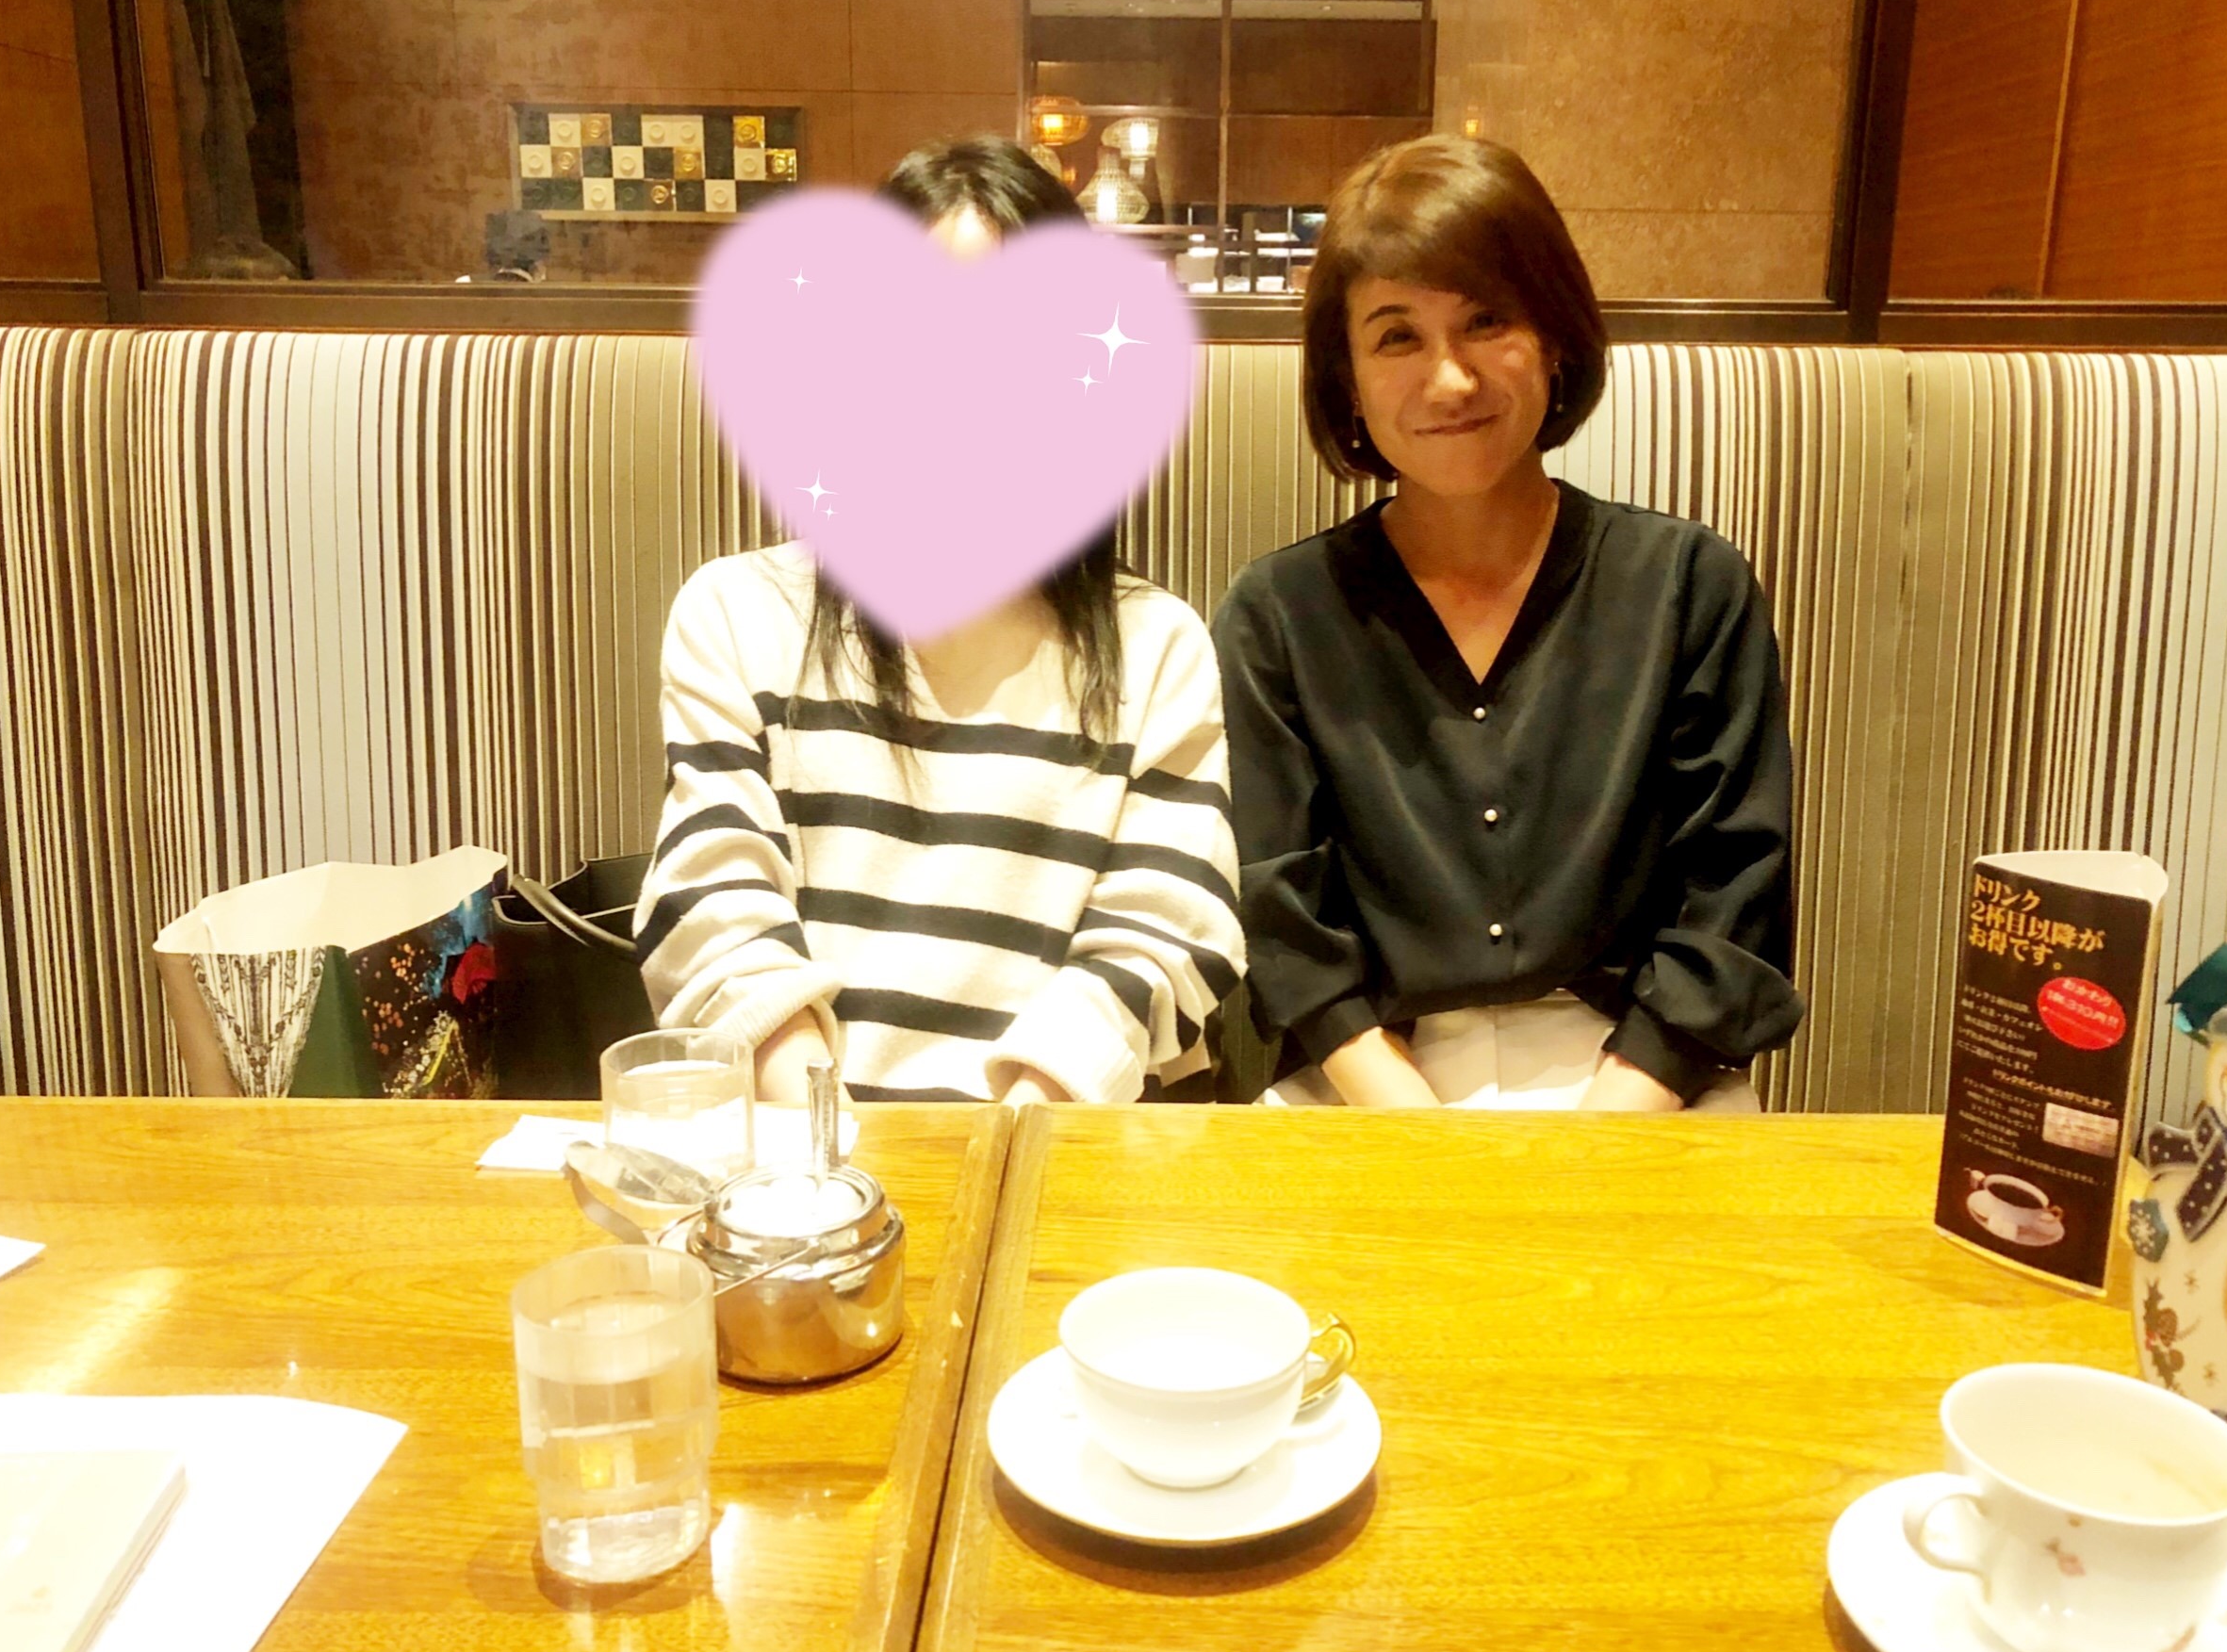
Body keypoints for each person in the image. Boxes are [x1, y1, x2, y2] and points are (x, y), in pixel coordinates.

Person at [636, 137, 1244, 1105]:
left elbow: (1164, 928)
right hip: (809, 1138)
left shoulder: (1154, 645)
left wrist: (1010, 1138)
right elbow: (716, 899)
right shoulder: (742, 613)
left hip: (1061, 1138)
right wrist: (830, 1143)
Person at [1212, 136, 1803, 1111]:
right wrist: (1429, 1143)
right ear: (1347, 378)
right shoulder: (1278, 614)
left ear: (1555, 333)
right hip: (1370, 1087)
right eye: (1396, 337)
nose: (1449, 380)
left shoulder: (1688, 585)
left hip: (1646, 1083)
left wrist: (1592, 1143)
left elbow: (1734, 892)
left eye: (1486, 320)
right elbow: (1286, 925)